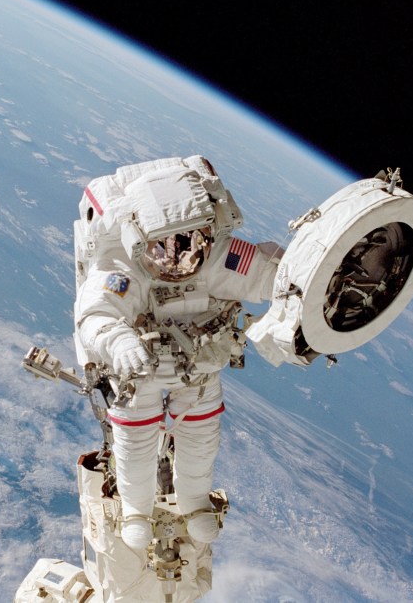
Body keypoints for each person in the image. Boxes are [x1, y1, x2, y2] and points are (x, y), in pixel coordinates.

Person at [73, 156, 282, 550]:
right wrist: (119, 342)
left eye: (189, 244)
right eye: (164, 248)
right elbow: (96, 314)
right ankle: (136, 511)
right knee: (135, 443)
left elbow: (269, 274)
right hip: (138, 372)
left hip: (199, 366)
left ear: (206, 232)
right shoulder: (120, 267)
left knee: (201, 440)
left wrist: (305, 280)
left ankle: (195, 503)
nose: (177, 258)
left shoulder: (216, 255)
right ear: (139, 239)